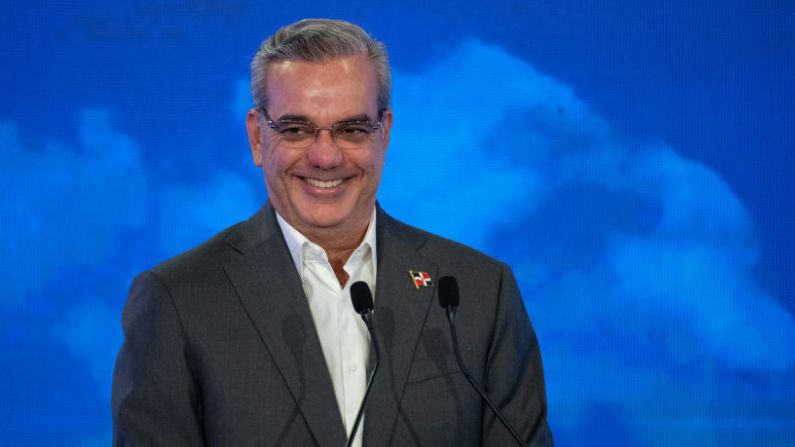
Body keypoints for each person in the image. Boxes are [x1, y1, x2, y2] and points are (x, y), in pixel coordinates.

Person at [111, 18, 553, 446]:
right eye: (296, 129)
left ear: (385, 135)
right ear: (256, 138)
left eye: (352, 129)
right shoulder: (177, 300)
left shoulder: (478, 292)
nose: (325, 156)